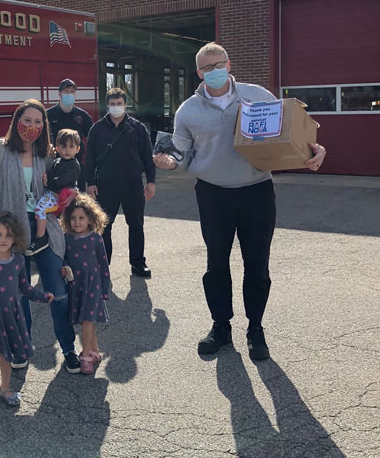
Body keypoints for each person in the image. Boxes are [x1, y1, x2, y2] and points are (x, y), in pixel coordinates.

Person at [154, 42, 327, 361]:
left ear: (229, 65)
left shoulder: (257, 95)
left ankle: (255, 329)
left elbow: (289, 131)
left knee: (257, 264)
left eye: (218, 64)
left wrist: (314, 152)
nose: (214, 71)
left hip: (256, 190)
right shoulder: (188, 110)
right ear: (199, 72)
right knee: (216, 264)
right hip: (213, 193)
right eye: (207, 68)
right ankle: (221, 327)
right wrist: (169, 162)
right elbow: (180, 150)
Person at [0, 99, 82, 374]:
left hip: (45, 230)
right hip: (10, 231)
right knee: (17, 294)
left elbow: (65, 185)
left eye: (38, 122)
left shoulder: (47, 155)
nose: (32, 126)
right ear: (16, 121)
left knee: (58, 292)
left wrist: (71, 197)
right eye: (27, 120)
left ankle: (68, 348)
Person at [0, 212, 54, 416]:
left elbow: (25, 288)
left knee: (6, 355)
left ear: (16, 237)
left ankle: (5, 389)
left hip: (11, 317)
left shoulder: (17, 261)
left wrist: (43, 297)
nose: (3, 239)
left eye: (8, 235)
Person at [85, 87, 156, 278]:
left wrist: (151, 181)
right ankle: (103, 264)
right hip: (106, 185)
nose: (116, 107)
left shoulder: (138, 128)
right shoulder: (97, 129)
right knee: (104, 226)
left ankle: (138, 263)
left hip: (132, 184)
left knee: (136, 225)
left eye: (120, 104)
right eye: (113, 104)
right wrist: (90, 183)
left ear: (125, 105)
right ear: (107, 105)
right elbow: (89, 158)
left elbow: (147, 157)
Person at [60, 193, 110, 375]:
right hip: (76, 285)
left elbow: (103, 263)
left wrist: (105, 287)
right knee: (86, 320)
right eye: (73, 218)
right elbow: (63, 260)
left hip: (92, 285)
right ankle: (95, 351)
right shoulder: (67, 238)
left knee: (87, 321)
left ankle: (86, 355)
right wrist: (65, 269)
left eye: (81, 218)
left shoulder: (95, 239)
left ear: (90, 219)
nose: (77, 222)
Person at [27, 128, 81, 256]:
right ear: (57, 147)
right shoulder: (57, 161)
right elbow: (51, 174)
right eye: (63, 146)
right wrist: (46, 178)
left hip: (60, 196)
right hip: (53, 193)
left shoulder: (74, 165)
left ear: (77, 149)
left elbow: (62, 180)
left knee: (40, 209)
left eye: (71, 146)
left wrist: (48, 182)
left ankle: (40, 237)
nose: (67, 150)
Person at [47, 78, 93, 190]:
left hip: (76, 169)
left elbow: (92, 143)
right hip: (55, 167)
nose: (69, 94)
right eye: (66, 91)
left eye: (72, 92)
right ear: (59, 94)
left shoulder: (83, 116)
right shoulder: (48, 115)